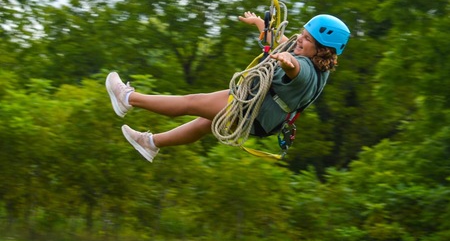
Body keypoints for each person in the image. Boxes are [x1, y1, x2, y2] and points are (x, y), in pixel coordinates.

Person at [106, 12, 350, 163]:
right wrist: (259, 24)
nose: (299, 39)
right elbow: (282, 44)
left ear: (323, 50)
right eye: (301, 34)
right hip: (262, 119)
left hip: (253, 110)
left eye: (307, 39)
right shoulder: (317, 66)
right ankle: (151, 143)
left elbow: (295, 69)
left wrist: (288, 63)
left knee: (192, 102)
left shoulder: (306, 70)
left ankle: (129, 99)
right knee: (205, 122)